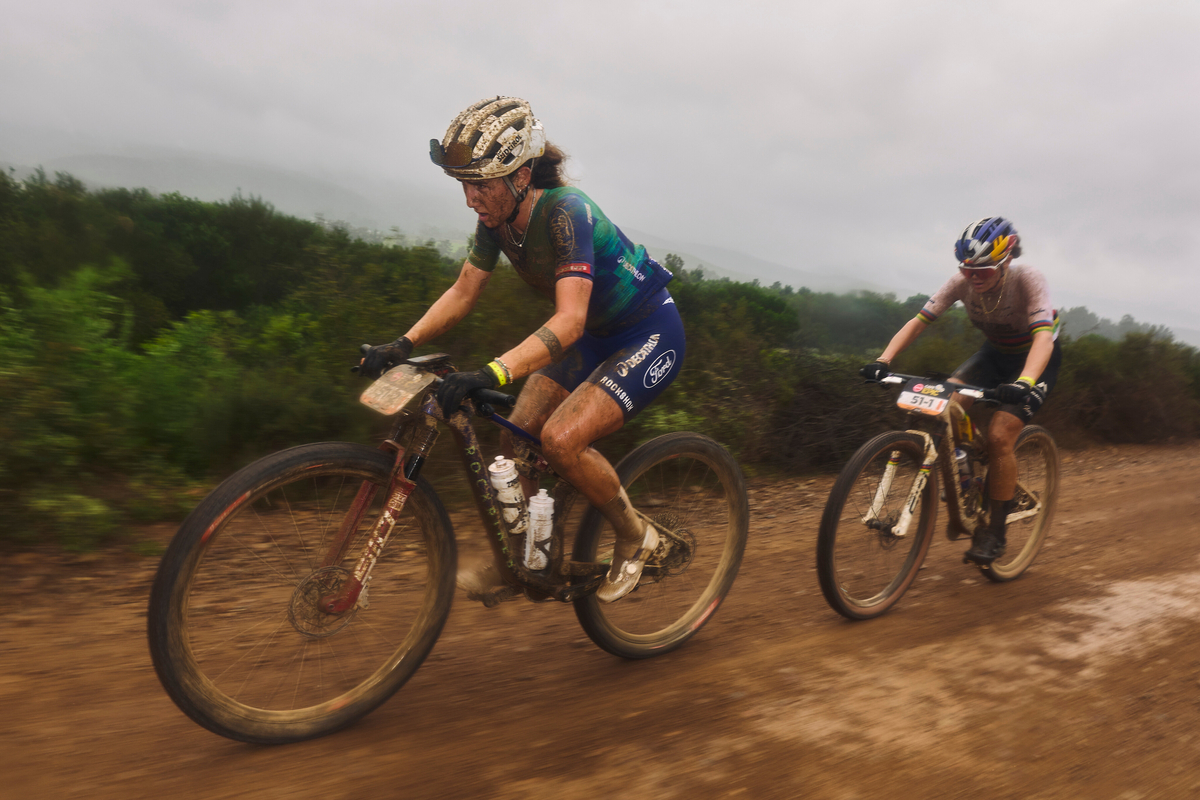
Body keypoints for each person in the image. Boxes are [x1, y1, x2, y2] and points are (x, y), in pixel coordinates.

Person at [359, 97, 684, 602]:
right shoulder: (496, 221)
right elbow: (464, 291)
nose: (471, 199)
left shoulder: (565, 214)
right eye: (464, 184)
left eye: (481, 184)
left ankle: (635, 537)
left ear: (522, 176)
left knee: (559, 440)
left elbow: (570, 321)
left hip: (646, 332)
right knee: (518, 437)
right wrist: (402, 343)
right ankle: (534, 558)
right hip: (594, 335)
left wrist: (492, 373)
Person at [860, 216, 1061, 564]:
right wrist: (883, 360)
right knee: (941, 403)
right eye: (967, 269)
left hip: (1035, 361)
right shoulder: (961, 282)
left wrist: (1024, 382)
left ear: (1007, 259)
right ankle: (968, 479)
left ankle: (995, 534)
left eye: (983, 269)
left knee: (999, 436)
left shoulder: (1029, 279)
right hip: (993, 355)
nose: (973, 277)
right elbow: (919, 321)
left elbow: (1043, 338)